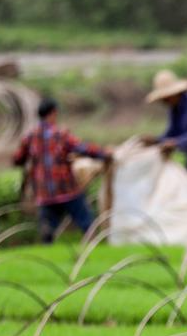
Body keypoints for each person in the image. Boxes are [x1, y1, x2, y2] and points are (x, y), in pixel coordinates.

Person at [13, 97, 112, 243]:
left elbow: (17, 159)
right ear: (53, 113)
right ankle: (93, 242)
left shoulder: (29, 137)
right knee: (86, 221)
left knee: (49, 226)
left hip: (44, 192)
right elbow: (82, 148)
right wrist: (105, 153)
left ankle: (48, 243)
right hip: (66, 189)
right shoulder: (60, 134)